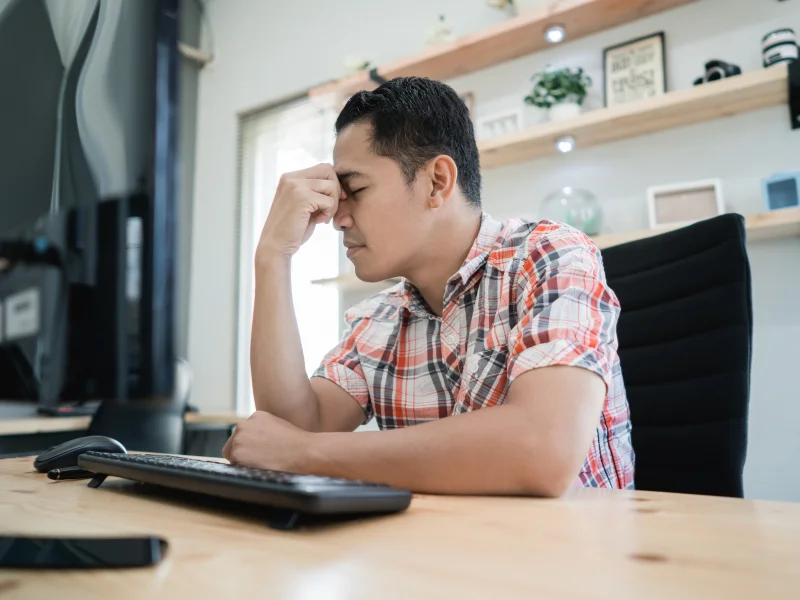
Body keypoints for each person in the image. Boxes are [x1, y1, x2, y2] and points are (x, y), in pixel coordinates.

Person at [223, 77, 634, 496]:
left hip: (571, 552)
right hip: (435, 554)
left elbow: (545, 448)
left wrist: (307, 453)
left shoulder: (550, 254)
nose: (337, 218)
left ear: (438, 181)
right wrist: (273, 255)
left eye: (356, 190)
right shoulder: (377, 319)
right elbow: (286, 435)